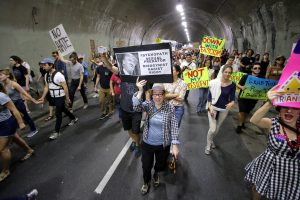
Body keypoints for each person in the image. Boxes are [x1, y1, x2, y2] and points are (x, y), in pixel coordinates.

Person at [245, 88, 300, 200]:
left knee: (285, 193)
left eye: (294, 108)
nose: (289, 110)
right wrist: (269, 102)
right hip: (268, 164)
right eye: (285, 107)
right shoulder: (273, 123)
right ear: (279, 109)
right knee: (258, 188)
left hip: (293, 171)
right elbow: (254, 120)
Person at [133, 80, 180, 195]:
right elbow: (136, 107)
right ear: (152, 94)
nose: (157, 97)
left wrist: (175, 145)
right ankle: (146, 182)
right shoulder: (148, 105)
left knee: (160, 164)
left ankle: (156, 174)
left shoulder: (170, 107)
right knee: (146, 166)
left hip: (163, 144)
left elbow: (174, 125)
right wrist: (140, 91)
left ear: (164, 95)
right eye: (155, 94)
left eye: (160, 94)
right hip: (147, 143)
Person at [38, 58, 78, 140]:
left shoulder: (59, 75)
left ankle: (56, 132)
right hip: (53, 96)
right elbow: (46, 87)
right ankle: (74, 118)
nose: (43, 67)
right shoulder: (46, 75)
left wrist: (67, 98)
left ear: (51, 65)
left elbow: (65, 87)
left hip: (60, 96)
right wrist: (42, 97)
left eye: (45, 65)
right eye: (43, 65)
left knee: (58, 113)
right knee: (63, 108)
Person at [205, 65, 236, 155]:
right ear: (222, 72)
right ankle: (208, 145)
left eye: (229, 72)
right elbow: (209, 97)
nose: (227, 74)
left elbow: (232, 98)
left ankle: (211, 140)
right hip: (213, 107)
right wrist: (210, 108)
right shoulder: (214, 82)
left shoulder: (232, 85)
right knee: (212, 129)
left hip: (224, 109)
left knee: (217, 128)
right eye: (226, 72)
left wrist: (232, 103)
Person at [0, 83, 25, 182]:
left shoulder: (1, 96)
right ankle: (29, 150)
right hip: (2, 124)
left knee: (3, 149)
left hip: (6, 124)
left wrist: (21, 122)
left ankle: (5, 171)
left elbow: (14, 110)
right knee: (16, 139)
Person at [236, 63, 262, 133]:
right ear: (252, 69)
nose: (257, 69)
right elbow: (238, 84)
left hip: (253, 100)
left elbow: (262, 90)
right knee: (242, 111)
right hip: (243, 98)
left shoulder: (262, 79)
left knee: (247, 112)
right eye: (255, 68)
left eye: (259, 68)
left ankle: (243, 122)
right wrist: (242, 87)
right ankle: (239, 126)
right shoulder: (246, 76)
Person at [94, 55, 113, 119]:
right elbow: (98, 77)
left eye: (104, 58)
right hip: (102, 88)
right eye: (101, 58)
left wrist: (112, 89)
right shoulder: (99, 68)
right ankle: (104, 112)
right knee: (101, 101)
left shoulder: (110, 68)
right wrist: (95, 86)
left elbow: (112, 79)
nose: (102, 60)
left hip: (109, 88)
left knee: (109, 101)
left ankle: (109, 111)